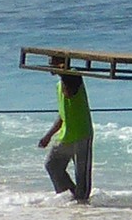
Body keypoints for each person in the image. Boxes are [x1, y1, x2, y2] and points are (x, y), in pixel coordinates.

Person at [37, 58, 92, 204]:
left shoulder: (74, 75)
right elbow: (62, 115)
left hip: (81, 134)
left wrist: (62, 71)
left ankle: (81, 203)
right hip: (66, 135)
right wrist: (48, 136)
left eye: (52, 63)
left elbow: (70, 92)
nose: (50, 66)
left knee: (82, 179)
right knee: (52, 165)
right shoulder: (58, 85)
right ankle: (70, 197)